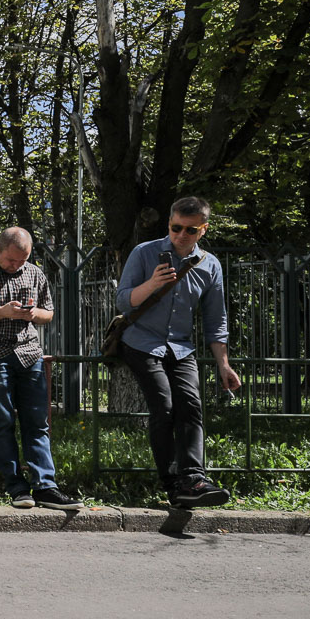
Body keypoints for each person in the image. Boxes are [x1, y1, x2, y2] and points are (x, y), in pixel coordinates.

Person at [115, 195, 240, 508]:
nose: (182, 234)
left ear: (203, 229)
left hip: (181, 348)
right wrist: (152, 285)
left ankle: (193, 479)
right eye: (176, 227)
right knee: (165, 405)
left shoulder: (209, 265)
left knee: (191, 406)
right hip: (141, 341)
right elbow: (122, 300)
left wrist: (223, 365)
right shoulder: (145, 253)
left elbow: (216, 320)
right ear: (169, 223)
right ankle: (172, 482)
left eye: (190, 230)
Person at [0, 227, 83, 510]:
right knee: (2, 421)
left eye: (22, 261)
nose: (16, 266)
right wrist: (2, 311)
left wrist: (32, 313)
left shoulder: (34, 273)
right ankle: (17, 487)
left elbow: (48, 313)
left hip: (28, 352)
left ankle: (46, 487)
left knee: (37, 422)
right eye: (11, 260)